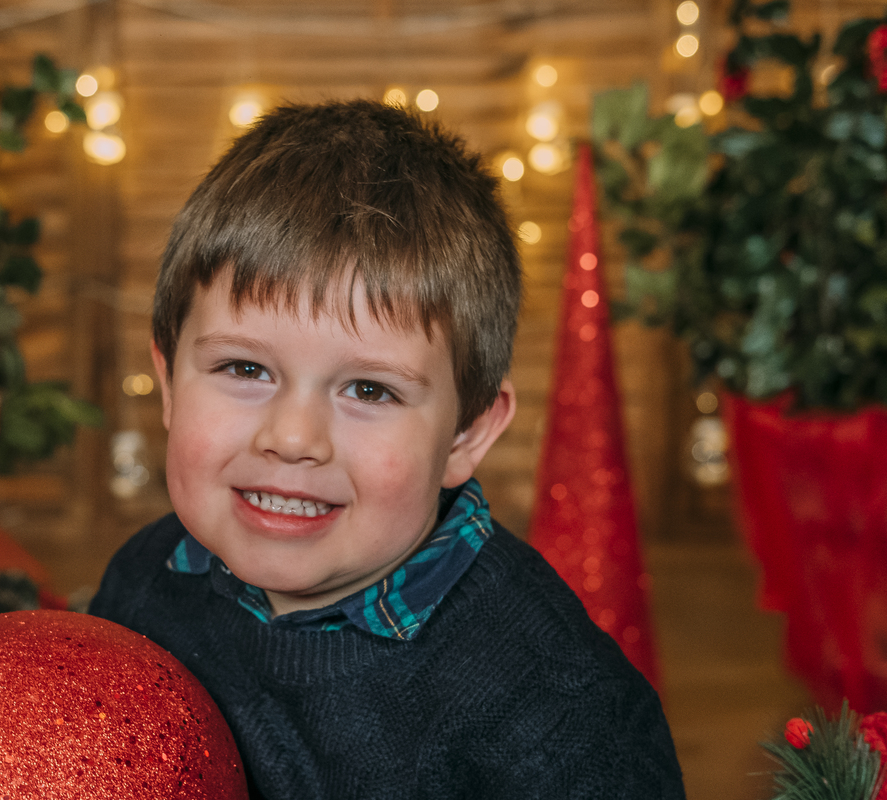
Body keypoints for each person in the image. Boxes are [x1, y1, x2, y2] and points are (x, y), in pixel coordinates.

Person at [88, 99, 685, 799]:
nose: (292, 437)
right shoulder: (140, 590)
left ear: (468, 433)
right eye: (245, 370)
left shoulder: (560, 714)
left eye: (369, 391)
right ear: (167, 384)